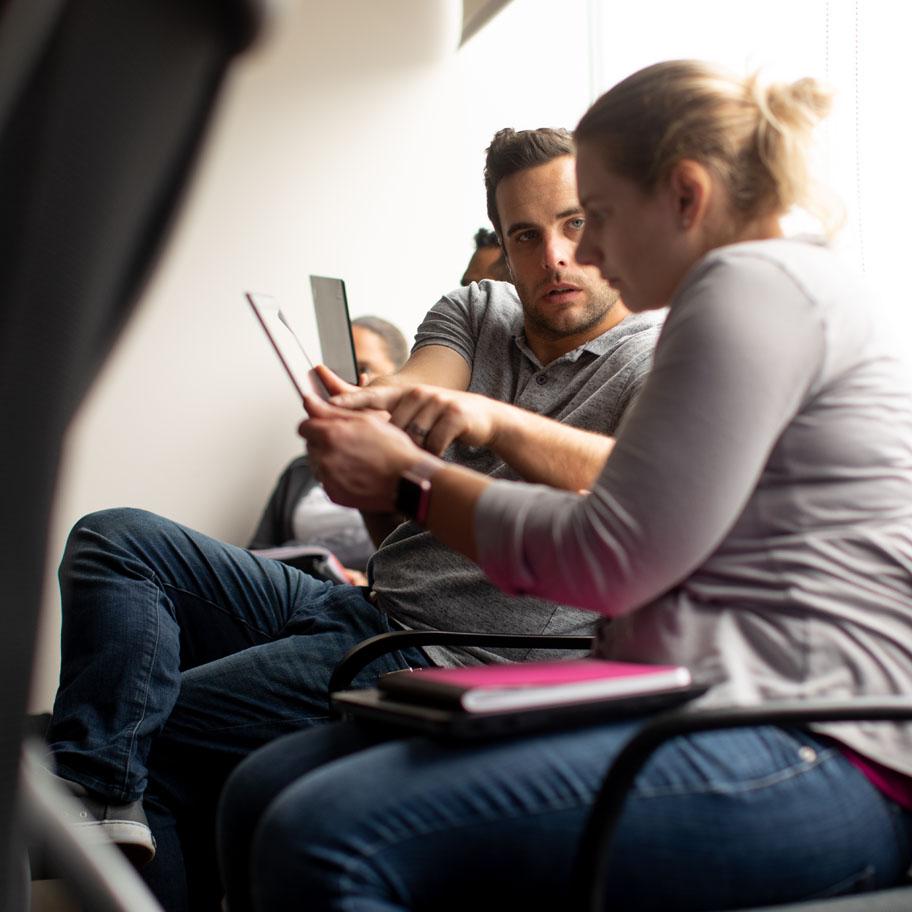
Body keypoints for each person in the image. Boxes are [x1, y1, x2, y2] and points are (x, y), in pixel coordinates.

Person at [218, 61, 912, 912]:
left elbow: (608, 557)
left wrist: (412, 482)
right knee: (261, 792)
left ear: (686, 196)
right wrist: (455, 446)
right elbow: (643, 514)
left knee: (322, 835)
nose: (580, 254)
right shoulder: (772, 285)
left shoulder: (750, 287)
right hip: (710, 704)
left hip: (818, 746)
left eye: (597, 218)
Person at [46, 126, 662, 910]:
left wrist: (480, 419)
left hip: (453, 655)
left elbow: (632, 487)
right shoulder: (478, 309)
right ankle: (100, 796)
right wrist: (367, 409)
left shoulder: (657, 358)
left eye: (575, 224)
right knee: (117, 539)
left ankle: (108, 791)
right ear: (503, 248)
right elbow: (415, 393)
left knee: (153, 739)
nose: (555, 258)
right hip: (367, 607)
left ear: (607, 219)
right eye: (526, 236)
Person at [247, 315, 409, 579]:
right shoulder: (302, 469)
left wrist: (368, 583)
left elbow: (423, 571)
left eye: (362, 367)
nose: (345, 381)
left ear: (399, 376)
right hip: (285, 597)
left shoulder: (419, 470)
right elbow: (256, 552)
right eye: (337, 370)